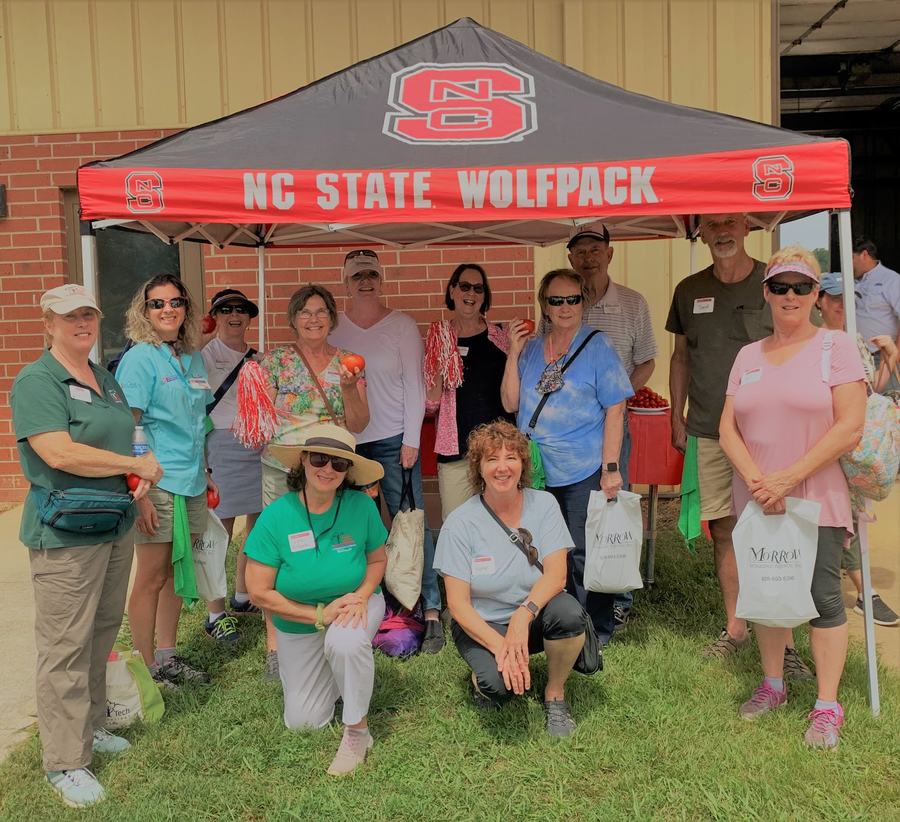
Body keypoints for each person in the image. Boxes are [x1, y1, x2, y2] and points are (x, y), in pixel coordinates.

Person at [11, 285, 163, 808]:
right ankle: (64, 762)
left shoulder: (103, 378)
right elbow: (58, 452)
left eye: (88, 315)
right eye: (69, 316)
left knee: (100, 631)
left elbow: (121, 440)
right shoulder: (37, 380)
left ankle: (91, 726)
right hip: (65, 533)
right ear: (48, 323)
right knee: (64, 647)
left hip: (113, 522)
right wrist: (134, 467)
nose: (81, 323)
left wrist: (138, 494)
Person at [719, 246, 867, 749]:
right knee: (766, 593)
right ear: (766, 293)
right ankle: (773, 684)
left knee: (823, 598)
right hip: (757, 497)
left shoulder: (836, 347)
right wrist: (760, 482)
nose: (790, 296)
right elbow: (727, 430)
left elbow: (849, 427)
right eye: (780, 286)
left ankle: (826, 705)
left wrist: (786, 479)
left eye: (801, 287)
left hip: (814, 497)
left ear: (815, 294)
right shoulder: (747, 355)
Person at [243, 424, 387, 776]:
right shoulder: (276, 517)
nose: (328, 470)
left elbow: (378, 560)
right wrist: (318, 614)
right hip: (298, 622)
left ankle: (357, 732)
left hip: (354, 603)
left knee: (345, 641)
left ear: (348, 472)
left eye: (339, 464)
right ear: (303, 461)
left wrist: (361, 596)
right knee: (303, 722)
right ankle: (343, 674)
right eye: (320, 459)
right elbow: (259, 591)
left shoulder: (361, 506)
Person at [501, 268, 632, 646]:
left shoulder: (598, 346)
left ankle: (596, 629)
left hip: (581, 468)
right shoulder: (531, 349)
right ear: (544, 305)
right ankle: (558, 623)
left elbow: (616, 409)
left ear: (583, 302)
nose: (564, 307)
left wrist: (610, 468)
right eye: (556, 300)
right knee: (542, 551)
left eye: (572, 299)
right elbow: (510, 402)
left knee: (583, 552)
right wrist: (513, 352)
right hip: (537, 472)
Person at [434, 421, 586, 736]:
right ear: (478, 468)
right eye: (492, 459)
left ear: (523, 463)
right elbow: (458, 606)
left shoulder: (544, 505)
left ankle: (555, 694)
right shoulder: (460, 523)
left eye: (511, 458)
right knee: (498, 689)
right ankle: (483, 678)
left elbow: (557, 575)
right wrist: (502, 646)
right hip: (483, 623)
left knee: (570, 613)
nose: (502, 468)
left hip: (532, 615)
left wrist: (523, 614)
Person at [329, 249, 444, 653]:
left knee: (408, 521)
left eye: (371, 275)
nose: (365, 282)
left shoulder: (401, 326)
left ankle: (429, 606)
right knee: (352, 525)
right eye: (357, 275)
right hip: (348, 441)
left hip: (394, 437)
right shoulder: (333, 329)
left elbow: (415, 384)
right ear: (345, 282)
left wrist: (412, 438)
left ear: (381, 280)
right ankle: (366, 599)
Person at [257, 284, 369, 677]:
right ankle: (276, 640)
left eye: (321, 311)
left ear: (332, 318)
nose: (313, 318)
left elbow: (359, 423)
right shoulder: (272, 363)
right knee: (278, 556)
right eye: (304, 311)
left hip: (330, 471)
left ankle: (334, 620)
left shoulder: (349, 362)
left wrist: (350, 390)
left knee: (328, 548)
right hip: (283, 469)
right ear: (292, 319)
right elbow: (259, 421)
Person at [116, 274, 218, 686]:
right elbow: (130, 427)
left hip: (192, 482)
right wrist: (138, 489)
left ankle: (167, 656)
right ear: (144, 311)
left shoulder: (191, 358)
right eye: (157, 304)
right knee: (152, 575)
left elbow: (199, 422)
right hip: (157, 485)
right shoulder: (140, 359)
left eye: (175, 302)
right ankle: (143, 668)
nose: (167, 310)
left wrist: (207, 472)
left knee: (177, 571)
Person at [566, 221, 658, 632]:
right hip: (570, 430)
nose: (588, 258)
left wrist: (616, 396)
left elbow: (648, 360)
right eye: (580, 251)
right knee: (574, 511)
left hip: (612, 425)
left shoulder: (633, 304)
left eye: (594, 249)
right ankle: (576, 590)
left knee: (614, 507)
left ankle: (618, 596)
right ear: (570, 258)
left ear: (609, 253)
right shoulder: (563, 302)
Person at [816, 271, 899, 626]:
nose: (840, 304)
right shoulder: (816, 344)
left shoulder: (857, 341)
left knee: (851, 521)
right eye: (834, 297)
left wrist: (889, 358)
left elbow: (871, 390)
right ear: (818, 300)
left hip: (858, 448)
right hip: (832, 446)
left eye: (847, 297)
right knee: (844, 521)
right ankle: (865, 593)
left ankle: (858, 591)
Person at [425, 263, 511, 520]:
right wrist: (441, 363)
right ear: (452, 291)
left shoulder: (502, 337)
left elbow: (514, 396)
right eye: (464, 286)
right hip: (456, 452)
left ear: (485, 296)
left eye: (478, 288)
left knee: (501, 523)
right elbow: (431, 405)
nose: (470, 293)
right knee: (456, 524)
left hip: (499, 451)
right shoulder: (439, 336)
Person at [201, 289, 265, 625]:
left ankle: (243, 595)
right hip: (222, 444)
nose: (234, 315)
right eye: (226, 309)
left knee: (255, 526)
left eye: (242, 309)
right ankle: (215, 613)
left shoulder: (258, 357)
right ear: (215, 316)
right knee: (219, 531)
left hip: (256, 443)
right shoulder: (206, 355)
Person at [851, 237, 900, 392]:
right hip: (857, 358)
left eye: (852, 257)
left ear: (864, 254)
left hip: (883, 358)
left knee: (886, 406)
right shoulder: (851, 280)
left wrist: (896, 355)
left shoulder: (891, 280)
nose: (849, 263)